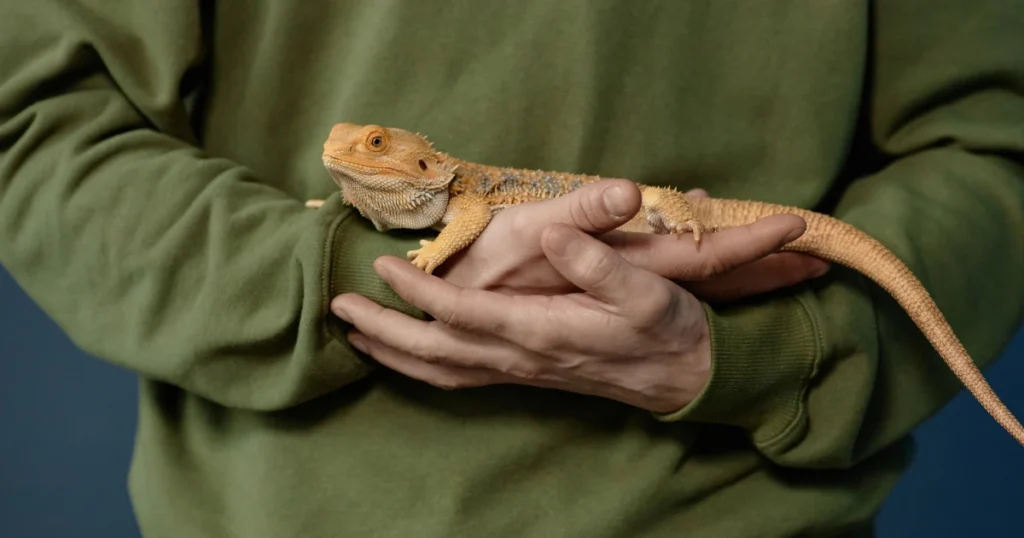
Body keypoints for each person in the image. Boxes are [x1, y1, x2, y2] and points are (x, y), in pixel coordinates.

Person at [1, 2, 1021, 537]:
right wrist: (341, 267)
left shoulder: (464, 187)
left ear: (422, 163)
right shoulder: (420, 190)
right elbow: (33, 128)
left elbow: (992, 141)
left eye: (374, 149)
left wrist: (764, 354)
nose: (349, 152)